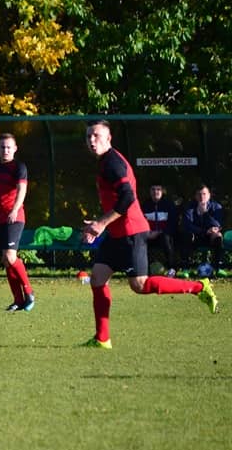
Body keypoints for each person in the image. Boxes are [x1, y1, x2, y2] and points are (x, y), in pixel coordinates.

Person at [81, 121, 218, 349]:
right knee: (97, 278)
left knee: (140, 285)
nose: (92, 140)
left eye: (96, 135)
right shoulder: (106, 162)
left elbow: (127, 198)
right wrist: (99, 224)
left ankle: (199, 287)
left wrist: (102, 223)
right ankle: (102, 339)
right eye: (88, 137)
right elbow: (115, 201)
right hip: (116, 233)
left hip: (131, 232)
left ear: (109, 138)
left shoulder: (113, 163)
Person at [0, 132, 35, 312]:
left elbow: (22, 189)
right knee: (6, 260)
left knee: (10, 256)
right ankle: (18, 300)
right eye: (2, 147)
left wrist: (15, 209)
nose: (5, 150)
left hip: (14, 217)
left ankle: (29, 291)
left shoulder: (19, 167)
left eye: (9, 147)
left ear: (15, 149)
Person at [179, 184, 227, 276]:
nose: (202, 197)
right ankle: (185, 268)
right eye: (199, 194)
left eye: (204, 194)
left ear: (209, 195)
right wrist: (204, 231)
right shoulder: (189, 207)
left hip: (210, 237)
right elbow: (187, 225)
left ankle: (217, 268)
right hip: (196, 236)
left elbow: (217, 225)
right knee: (186, 235)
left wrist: (205, 213)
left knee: (218, 235)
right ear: (195, 196)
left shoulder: (216, 207)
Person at [141, 183, 179, 277]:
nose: (155, 192)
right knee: (138, 240)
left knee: (166, 239)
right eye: (153, 189)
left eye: (158, 189)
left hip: (164, 234)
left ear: (162, 191)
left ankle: (172, 269)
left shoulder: (169, 205)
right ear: (150, 191)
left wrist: (160, 232)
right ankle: (143, 269)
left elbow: (173, 223)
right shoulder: (144, 206)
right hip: (149, 235)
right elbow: (140, 222)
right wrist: (148, 233)